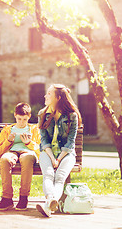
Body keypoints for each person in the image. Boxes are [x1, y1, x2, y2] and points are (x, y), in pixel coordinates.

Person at [36, 84, 82, 217]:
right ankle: (51, 201)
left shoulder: (72, 116)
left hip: (66, 153)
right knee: (49, 174)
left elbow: (70, 141)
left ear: (58, 97)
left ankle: (48, 205)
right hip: (47, 152)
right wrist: (52, 158)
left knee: (60, 177)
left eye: (49, 93)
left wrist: (59, 159)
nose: (45, 96)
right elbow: (44, 140)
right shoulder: (42, 114)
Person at [0, 103, 40, 211]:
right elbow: (0, 150)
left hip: (28, 152)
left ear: (29, 117)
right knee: (5, 159)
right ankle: (7, 198)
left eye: (24, 119)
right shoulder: (8, 129)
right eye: (19, 119)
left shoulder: (34, 129)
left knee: (27, 159)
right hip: (12, 151)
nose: (22, 122)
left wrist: (29, 143)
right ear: (15, 115)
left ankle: (23, 197)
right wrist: (9, 140)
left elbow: (39, 149)